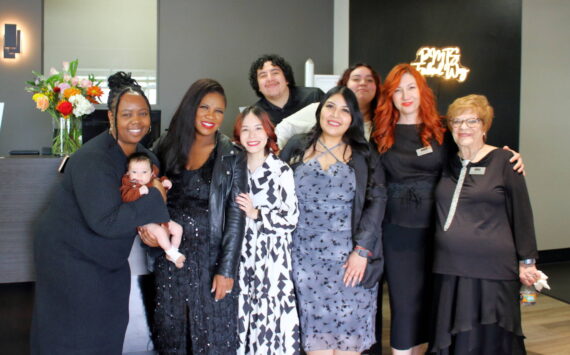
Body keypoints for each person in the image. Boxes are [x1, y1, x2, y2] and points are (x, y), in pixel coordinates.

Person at [371, 64, 525, 355]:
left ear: (422, 91)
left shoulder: (441, 127)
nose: (405, 95)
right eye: (397, 90)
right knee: (404, 304)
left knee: (438, 302)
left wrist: (510, 158)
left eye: (411, 87)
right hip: (398, 234)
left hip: (443, 231)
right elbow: (375, 188)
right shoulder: (381, 133)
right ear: (389, 96)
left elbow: (477, 152)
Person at [31, 72, 170, 354]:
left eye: (143, 113)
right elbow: (106, 221)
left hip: (106, 256)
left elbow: (144, 205)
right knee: (73, 332)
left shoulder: (146, 158)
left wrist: (152, 226)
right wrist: (156, 196)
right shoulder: (92, 159)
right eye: (127, 114)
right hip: (69, 254)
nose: (137, 121)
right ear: (111, 117)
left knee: (109, 324)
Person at [139, 78, 247, 354]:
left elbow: (236, 216)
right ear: (191, 108)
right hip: (171, 258)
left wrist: (226, 270)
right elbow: (147, 193)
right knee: (172, 331)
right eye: (204, 107)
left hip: (210, 259)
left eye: (219, 111)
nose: (211, 116)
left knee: (213, 336)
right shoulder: (165, 145)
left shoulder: (232, 155)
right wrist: (147, 232)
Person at [429, 94, 539, 354]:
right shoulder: (448, 161)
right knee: (454, 339)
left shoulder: (504, 161)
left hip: (492, 269)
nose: (464, 127)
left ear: (485, 125)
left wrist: (528, 261)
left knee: (488, 339)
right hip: (449, 268)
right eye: (457, 121)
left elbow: (522, 213)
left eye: (472, 121)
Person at [281, 86, 386, 354]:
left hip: (350, 262)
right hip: (304, 260)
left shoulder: (364, 153)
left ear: (353, 118)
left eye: (345, 110)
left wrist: (362, 251)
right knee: (315, 344)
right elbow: (275, 190)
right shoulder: (297, 146)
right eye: (330, 106)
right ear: (319, 110)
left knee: (349, 343)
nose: (335, 114)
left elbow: (376, 202)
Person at [233, 105, 301, 354]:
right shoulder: (233, 169)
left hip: (271, 261)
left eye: (258, 129)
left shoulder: (281, 170)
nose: (252, 136)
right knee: (239, 317)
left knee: (269, 322)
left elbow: (291, 218)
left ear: (268, 132)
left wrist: (257, 213)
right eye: (245, 130)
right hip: (239, 257)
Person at [275, 63, 381, 148]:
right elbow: (285, 128)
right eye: (356, 79)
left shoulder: (382, 121)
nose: (363, 83)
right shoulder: (322, 110)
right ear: (345, 84)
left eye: (369, 80)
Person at [120, 152, 185, 268]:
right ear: (128, 173)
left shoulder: (152, 180)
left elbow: (160, 181)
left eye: (144, 172)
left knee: (178, 229)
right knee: (159, 232)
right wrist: (138, 192)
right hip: (145, 220)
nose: (139, 176)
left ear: (151, 173)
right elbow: (125, 197)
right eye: (134, 172)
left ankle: (173, 251)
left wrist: (165, 182)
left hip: (160, 217)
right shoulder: (130, 185)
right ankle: (173, 254)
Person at [249, 54, 324, 126]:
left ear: (286, 79)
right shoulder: (255, 114)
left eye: (275, 73)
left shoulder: (314, 96)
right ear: (258, 86)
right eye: (263, 75)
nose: (270, 79)